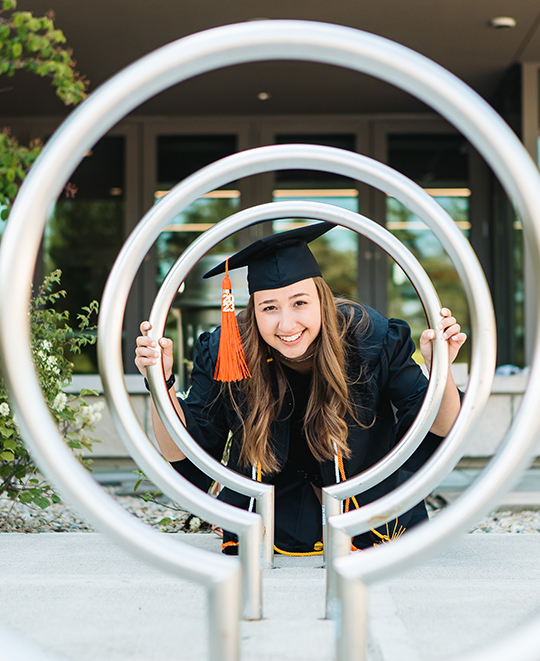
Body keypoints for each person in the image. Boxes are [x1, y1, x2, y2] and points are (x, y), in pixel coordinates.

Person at [135, 222, 466, 555]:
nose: (287, 324)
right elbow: (187, 453)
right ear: (252, 310)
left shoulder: (371, 339)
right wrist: (159, 382)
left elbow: (439, 428)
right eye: (269, 308)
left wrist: (441, 369)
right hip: (269, 531)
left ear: (322, 300)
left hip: (373, 524)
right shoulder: (227, 349)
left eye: (299, 303)